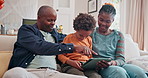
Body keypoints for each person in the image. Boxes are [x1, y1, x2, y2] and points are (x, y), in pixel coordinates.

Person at [2, 5, 95, 78]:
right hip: (29, 72)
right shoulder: (26, 30)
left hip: (52, 73)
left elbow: (73, 38)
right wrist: (73, 47)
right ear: (38, 18)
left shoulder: (55, 34)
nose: (53, 23)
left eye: (54, 20)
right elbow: (40, 47)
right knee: (13, 74)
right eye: (49, 20)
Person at [91, 3, 148, 78]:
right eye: (101, 20)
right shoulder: (91, 33)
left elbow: (121, 59)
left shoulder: (118, 35)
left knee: (140, 73)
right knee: (119, 73)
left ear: (113, 20)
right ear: (98, 17)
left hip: (117, 64)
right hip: (102, 68)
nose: (103, 24)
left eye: (108, 21)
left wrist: (112, 63)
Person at [58, 13, 101, 78]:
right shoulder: (68, 38)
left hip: (85, 65)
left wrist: (91, 62)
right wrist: (70, 62)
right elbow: (60, 55)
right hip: (70, 65)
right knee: (79, 76)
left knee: (96, 76)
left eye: (86, 36)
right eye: (81, 35)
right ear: (76, 29)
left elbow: (90, 56)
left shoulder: (89, 39)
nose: (83, 38)